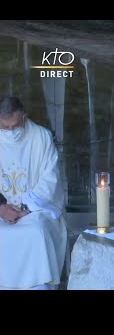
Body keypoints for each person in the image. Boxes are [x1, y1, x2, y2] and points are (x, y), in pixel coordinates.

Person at [0, 96, 67, 290]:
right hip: (2, 210)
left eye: (15, 126)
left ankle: (38, 285)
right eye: (4, 127)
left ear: (24, 117)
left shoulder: (41, 137)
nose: (10, 132)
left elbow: (50, 179)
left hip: (36, 209)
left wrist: (26, 207)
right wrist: (2, 208)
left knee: (35, 232)